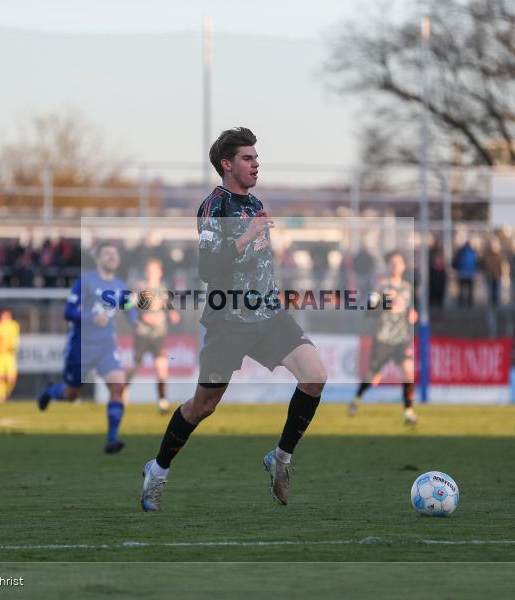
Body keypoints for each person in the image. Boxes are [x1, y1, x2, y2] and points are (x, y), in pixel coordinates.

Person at [140, 127, 328, 511]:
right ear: (227, 165)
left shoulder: (254, 202)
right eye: (247, 158)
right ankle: (157, 471)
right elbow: (208, 267)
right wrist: (245, 237)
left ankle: (280, 459)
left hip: (268, 314)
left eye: (256, 157)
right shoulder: (215, 207)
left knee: (315, 376)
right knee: (203, 406)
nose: (256, 163)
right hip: (229, 320)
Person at [37, 242, 137, 454]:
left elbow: (128, 307)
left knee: (118, 387)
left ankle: (112, 439)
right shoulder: (85, 282)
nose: (112, 257)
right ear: (98, 259)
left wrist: (138, 323)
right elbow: (68, 313)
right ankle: (50, 392)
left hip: (106, 347)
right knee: (71, 394)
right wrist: (91, 317)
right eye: (107, 253)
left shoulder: (120, 286)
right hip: (80, 348)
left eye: (115, 253)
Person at [349, 252, 418, 424]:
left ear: (403, 266)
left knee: (408, 371)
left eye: (399, 262)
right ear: (389, 266)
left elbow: (409, 309)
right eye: (393, 263)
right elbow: (368, 311)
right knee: (373, 378)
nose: (396, 266)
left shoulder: (408, 288)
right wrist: (387, 306)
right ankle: (356, 399)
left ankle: (408, 411)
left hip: (402, 338)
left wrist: (412, 314)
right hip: (383, 339)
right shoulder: (381, 287)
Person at [124, 258, 181, 414]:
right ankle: (123, 389)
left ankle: (163, 403)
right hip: (142, 333)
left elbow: (167, 306)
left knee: (161, 367)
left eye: (154, 270)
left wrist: (172, 314)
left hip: (159, 334)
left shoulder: (163, 289)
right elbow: (127, 306)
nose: (152, 273)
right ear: (146, 272)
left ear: (160, 272)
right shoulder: (140, 288)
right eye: (149, 270)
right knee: (136, 365)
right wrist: (140, 318)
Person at [0, 309, 20, 403]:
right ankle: (0, 396)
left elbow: (16, 339)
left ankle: (7, 392)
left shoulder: (14, 325)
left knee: (11, 378)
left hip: (10, 356)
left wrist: (14, 347)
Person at [452, 240, 478, 307]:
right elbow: (476, 262)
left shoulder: (461, 251)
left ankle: (461, 303)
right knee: (470, 289)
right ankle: (470, 303)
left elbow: (455, 262)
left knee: (461, 289)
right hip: (470, 273)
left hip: (462, 273)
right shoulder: (473, 251)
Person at [482, 240, 503, 307]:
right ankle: (491, 302)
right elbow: (485, 265)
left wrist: (500, 274)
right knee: (490, 290)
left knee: (496, 290)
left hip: (496, 276)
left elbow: (499, 266)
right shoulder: (487, 256)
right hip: (489, 276)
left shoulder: (497, 256)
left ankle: (496, 302)